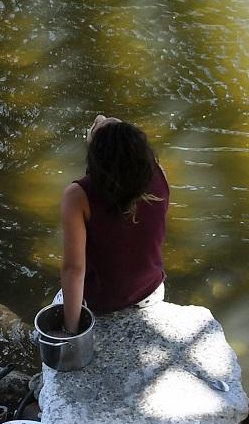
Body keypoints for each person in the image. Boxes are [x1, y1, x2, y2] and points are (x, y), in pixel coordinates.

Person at [59, 115, 169, 324]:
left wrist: (71, 331)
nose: (100, 117)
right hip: (151, 292)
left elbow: (74, 268)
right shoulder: (158, 173)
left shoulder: (78, 195)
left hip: (100, 303)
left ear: (95, 158)